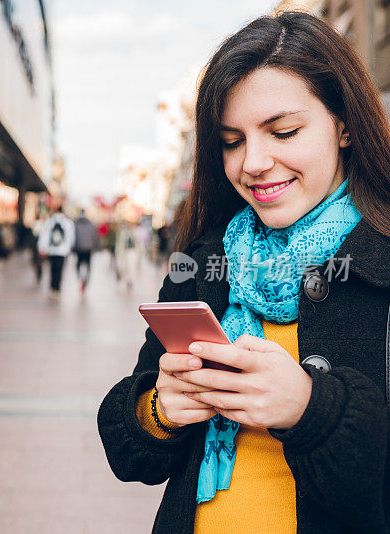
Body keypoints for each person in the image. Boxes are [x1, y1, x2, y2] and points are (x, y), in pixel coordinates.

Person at [98, 12, 390, 533]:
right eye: (233, 140)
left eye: (283, 131)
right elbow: (130, 453)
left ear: (344, 124)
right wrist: (159, 410)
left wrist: (309, 409)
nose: (253, 162)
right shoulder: (204, 263)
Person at [37, 206, 75, 295]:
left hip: (52, 250)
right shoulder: (67, 222)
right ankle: (57, 287)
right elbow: (70, 237)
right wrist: (69, 248)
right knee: (60, 269)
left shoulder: (50, 222)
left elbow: (44, 236)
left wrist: (42, 248)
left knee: (52, 268)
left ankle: (52, 286)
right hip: (62, 251)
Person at [73, 209, 100, 293]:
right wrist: (96, 247)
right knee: (88, 265)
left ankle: (80, 278)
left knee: (78, 265)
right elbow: (95, 237)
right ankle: (86, 280)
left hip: (79, 248)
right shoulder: (91, 225)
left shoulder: (75, 224)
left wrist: (73, 248)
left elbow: (73, 237)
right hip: (88, 248)